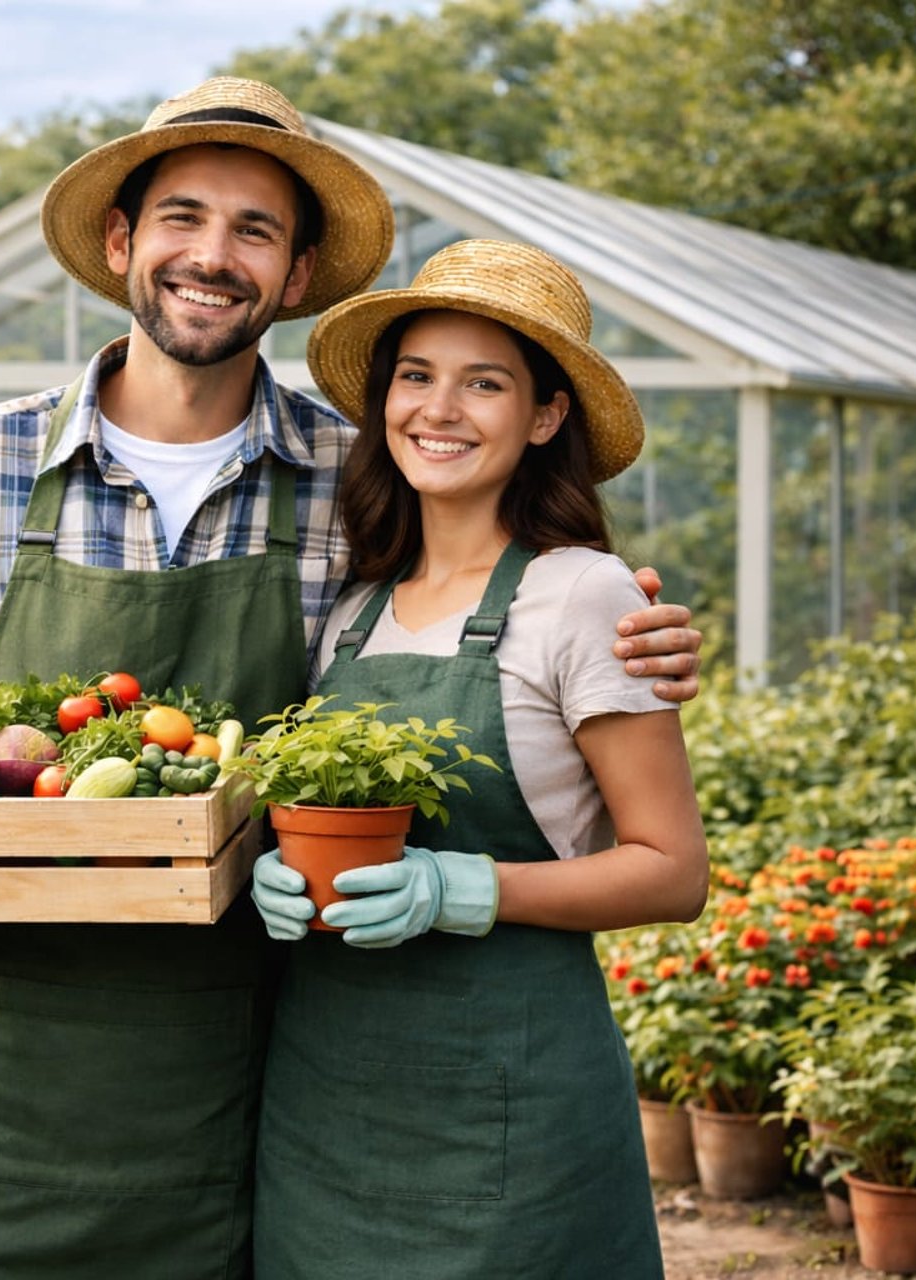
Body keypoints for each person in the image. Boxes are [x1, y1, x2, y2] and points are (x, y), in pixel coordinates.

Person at [0, 77, 702, 1279]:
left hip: (237, 1078)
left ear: (299, 274)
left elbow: (507, 614)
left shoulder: (350, 482)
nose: (213, 256)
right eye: (183, 217)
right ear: (123, 242)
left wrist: (644, 634)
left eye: (255, 229)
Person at [248, 239, 711, 1278]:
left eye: (484, 383)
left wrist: (460, 885)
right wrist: (272, 872)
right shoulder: (355, 612)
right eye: (416, 376)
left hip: (509, 1110)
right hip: (324, 1107)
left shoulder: (583, 595)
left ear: (545, 416)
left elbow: (673, 870)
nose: (438, 408)